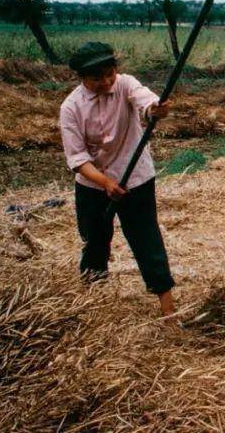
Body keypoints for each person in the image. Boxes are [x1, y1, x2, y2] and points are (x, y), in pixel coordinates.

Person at [58, 42, 176, 317]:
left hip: (135, 178)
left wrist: (156, 109)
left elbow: (145, 100)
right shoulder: (71, 107)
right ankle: (91, 305)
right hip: (93, 185)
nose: (106, 81)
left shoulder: (125, 85)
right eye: (96, 78)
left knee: (146, 239)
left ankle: (169, 310)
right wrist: (105, 183)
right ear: (82, 78)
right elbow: (78, 159)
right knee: (95, 240)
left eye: (110, 73)